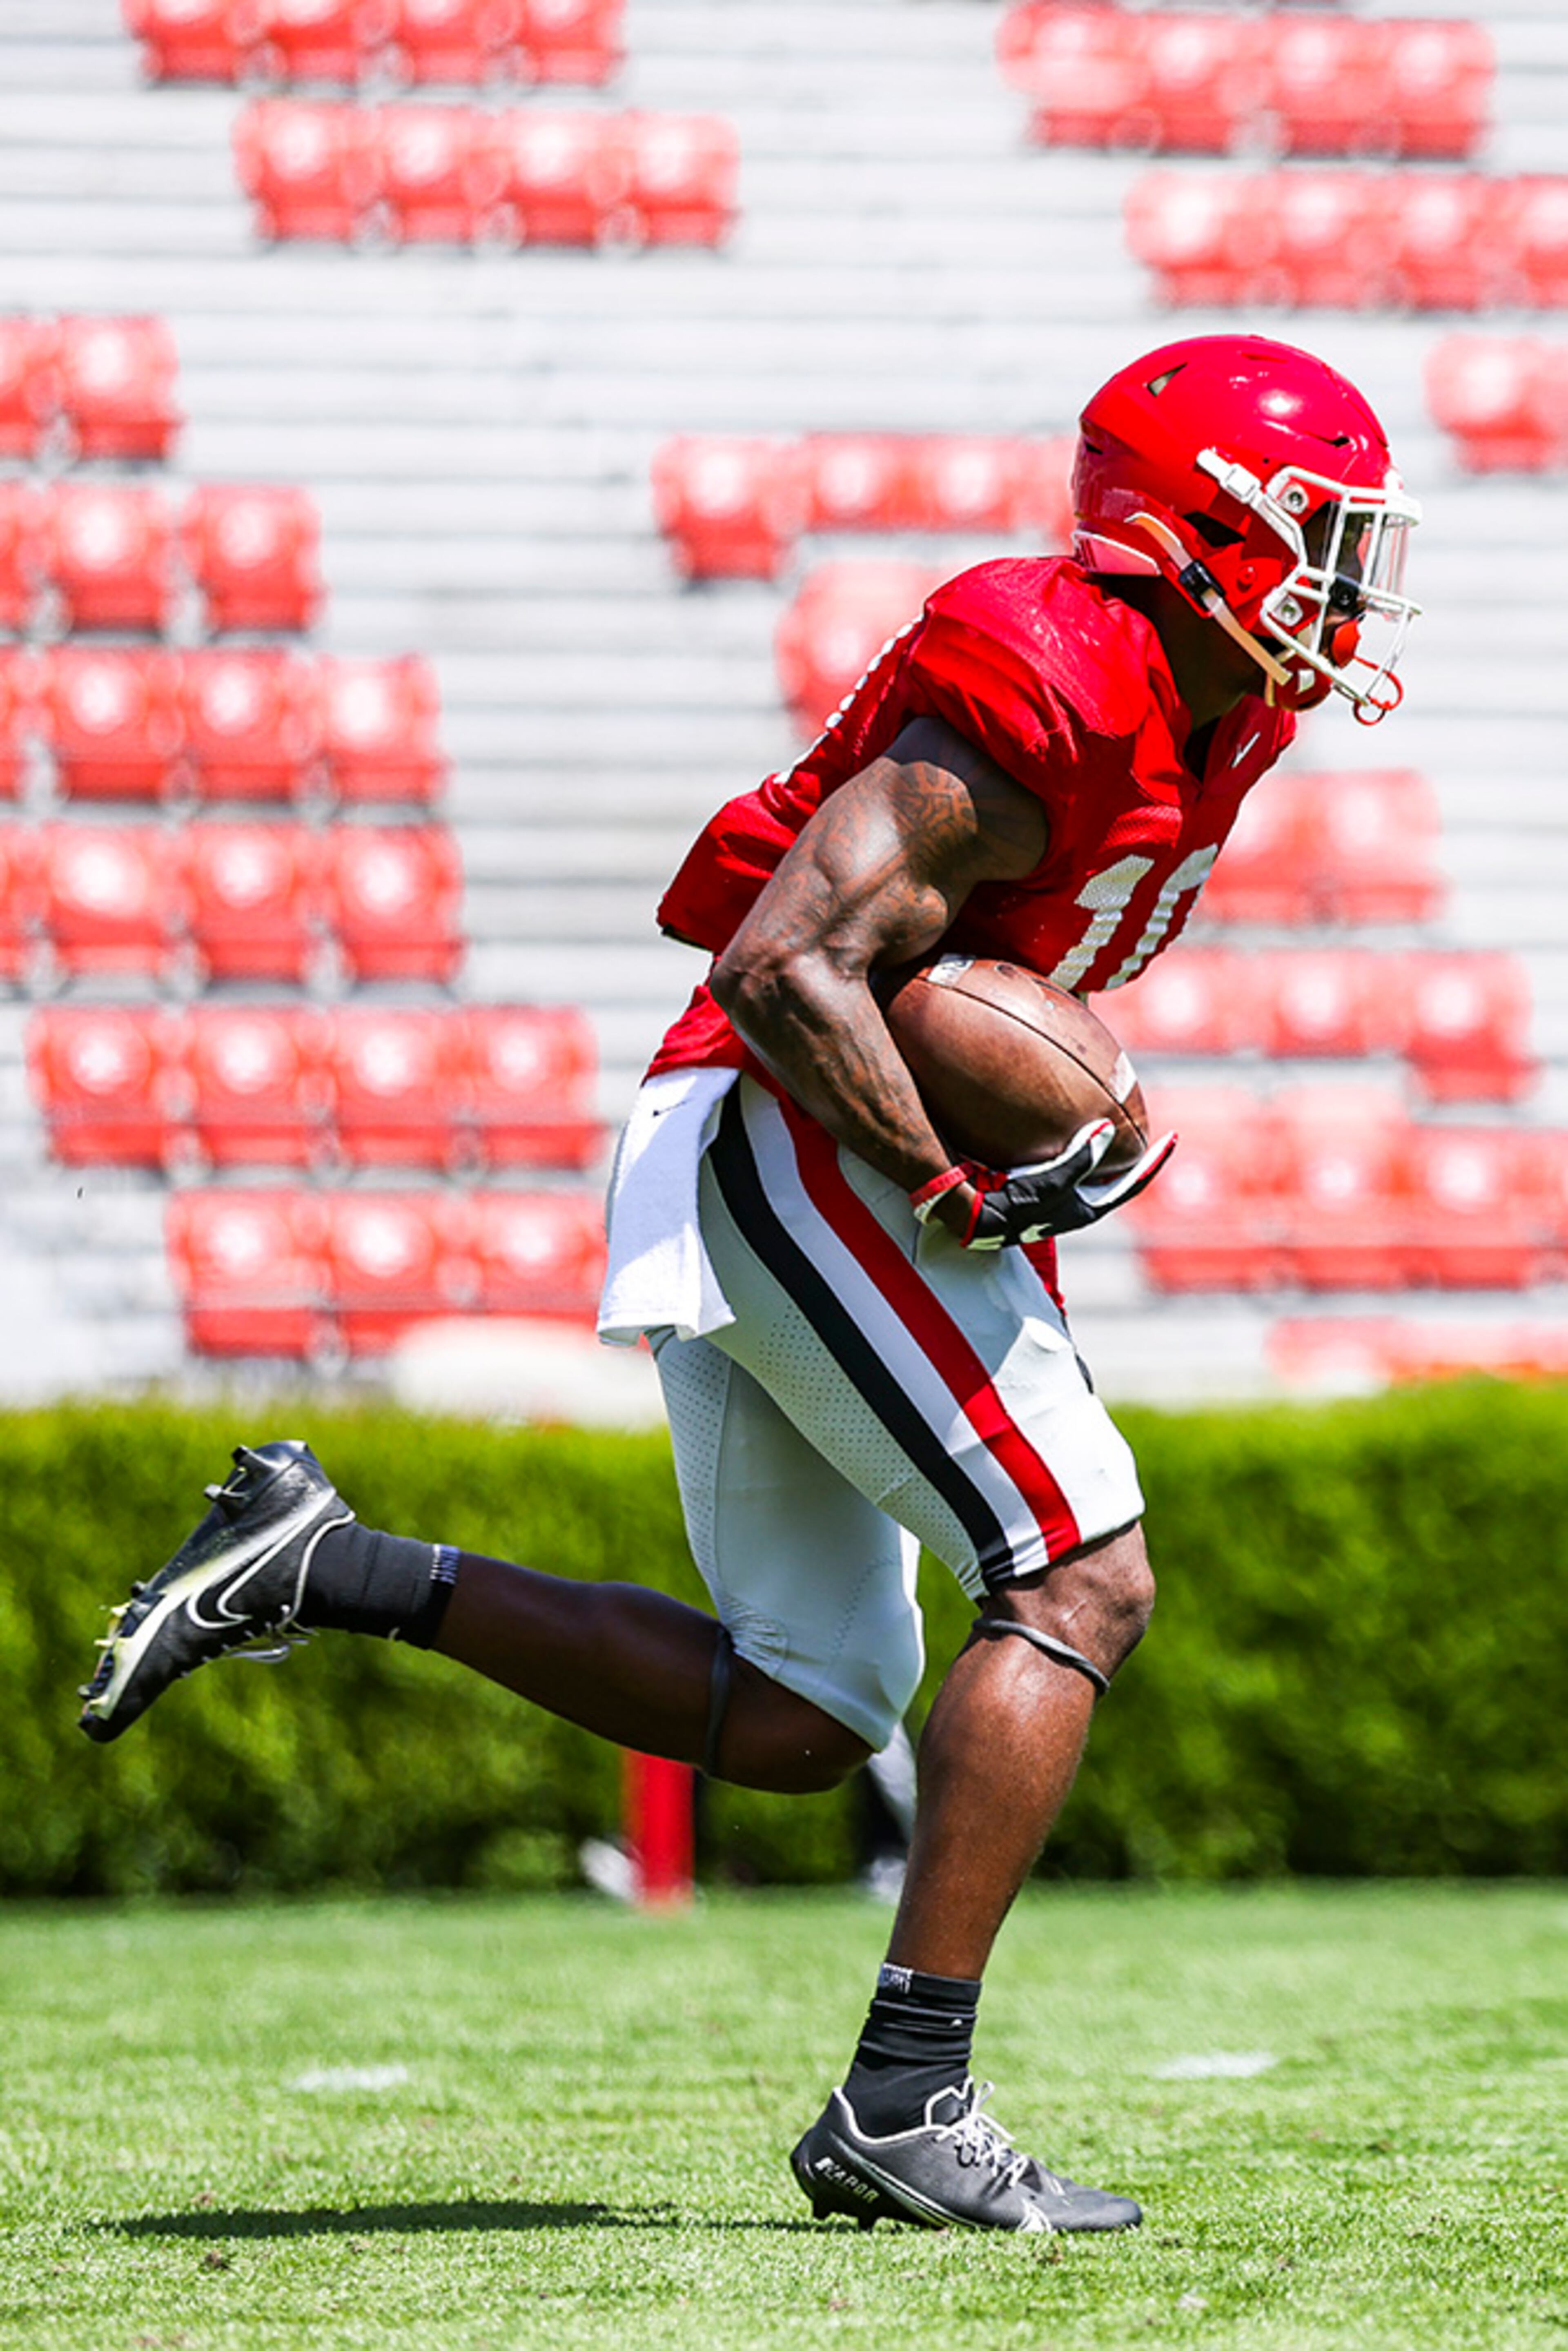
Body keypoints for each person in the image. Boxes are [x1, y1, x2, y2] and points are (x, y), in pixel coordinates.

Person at [78, 334, 1420, 2234]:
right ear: (1199, 529)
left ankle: (321, 1561)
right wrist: (955, 1178)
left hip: (802, 1137)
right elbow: (789, 963)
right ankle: (906, 2103)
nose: (1347, 581)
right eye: (1321, 536)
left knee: (806, 1716)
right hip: (789, 1122)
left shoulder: (1219, 706)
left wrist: (1033, 1124)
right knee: (1079, 1574)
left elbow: (963, 966)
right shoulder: (1053, 671)